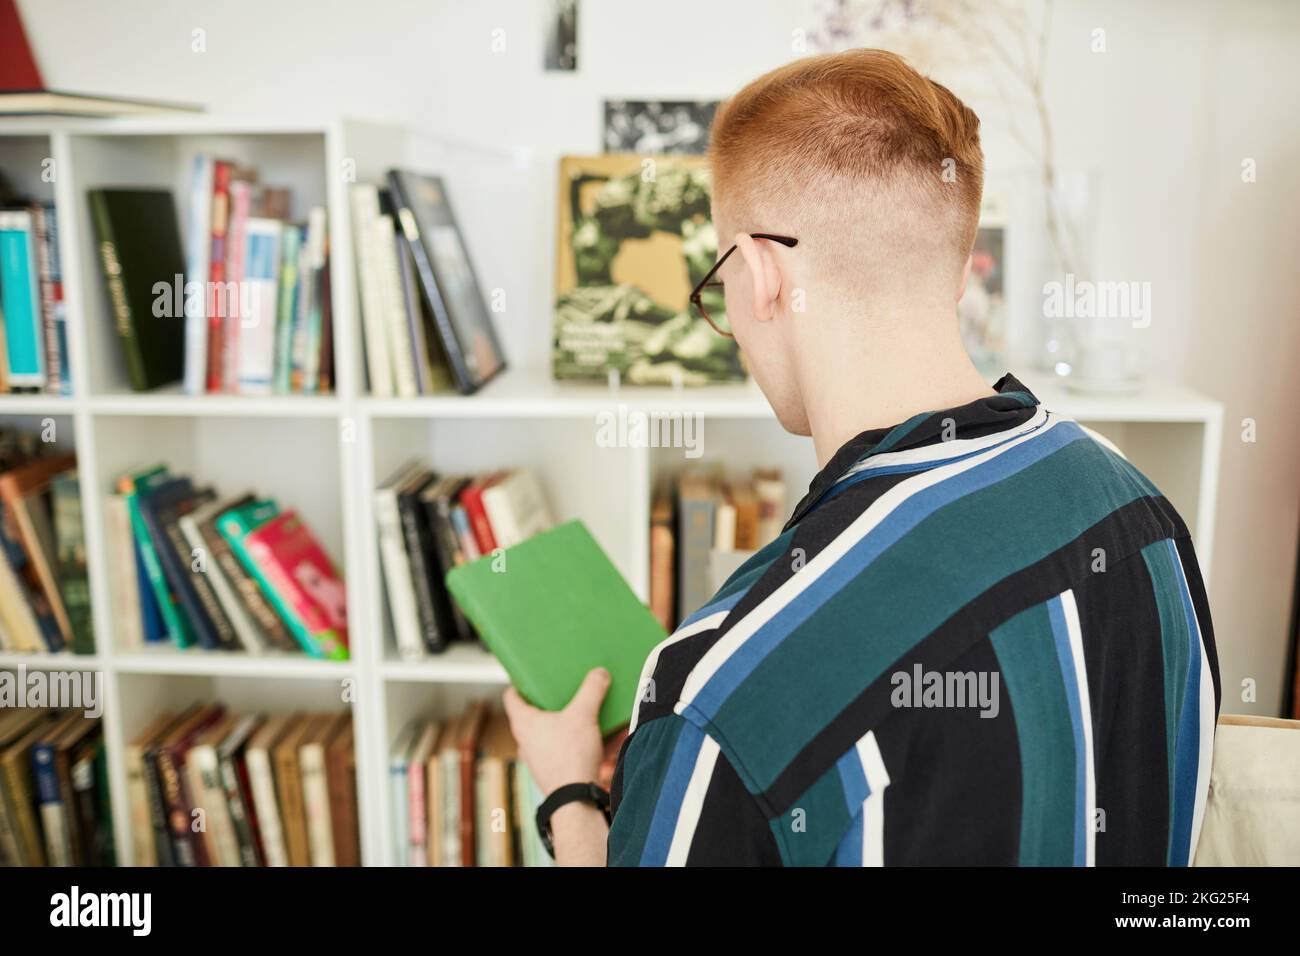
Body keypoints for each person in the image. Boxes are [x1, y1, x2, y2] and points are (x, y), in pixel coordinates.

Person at [504, 49, 1220, 866]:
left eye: (718, 279)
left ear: (761, 273)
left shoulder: (718, 694)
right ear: (957, 270)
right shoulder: (1146, 517)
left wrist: (567, 790)